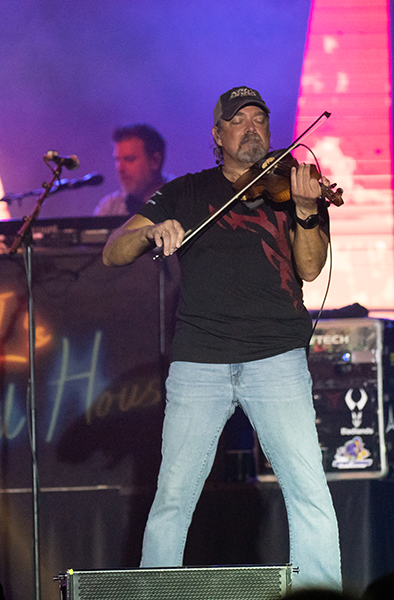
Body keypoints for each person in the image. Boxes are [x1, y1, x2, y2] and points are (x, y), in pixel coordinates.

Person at [102, 86, 341, 591]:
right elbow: (113, 250)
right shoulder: (188, 192)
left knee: (308, 491)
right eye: (239, 120)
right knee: (173, 495)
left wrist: (304, 211)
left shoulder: (294, 188)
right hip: (200, 361)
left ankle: (321, 593)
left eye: (260, 119)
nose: (252, 127)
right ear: (218, 135)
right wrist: (150, 232)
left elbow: (311, 268)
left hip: (276, 356)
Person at [93, 124, 170, 216]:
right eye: (117, 160)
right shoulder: (109, 207)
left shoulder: (183, 201)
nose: (120, 168)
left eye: (129, 159)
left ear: (155, 161)